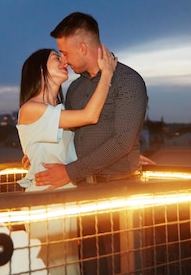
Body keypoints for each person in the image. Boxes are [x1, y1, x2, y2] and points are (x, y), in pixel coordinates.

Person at [35, 11, 149, 274]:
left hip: (120, 192)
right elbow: (66, 134)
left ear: (83, 47)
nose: (63, 58)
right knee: (90, 265)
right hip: (85, 192)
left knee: (123, 265)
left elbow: (122, 141)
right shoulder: (76, 89)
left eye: (64, 51)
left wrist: (70, 171)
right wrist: (39, 153)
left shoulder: (128, 81)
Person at [16, 44, 117, 275]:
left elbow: (77, 147)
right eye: (55, 57)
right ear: (39, 70)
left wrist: (124, 154)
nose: (63, 60)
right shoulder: (32, 108)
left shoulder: (58, 110)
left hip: (65, 197)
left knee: (67, 267)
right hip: (45, 201)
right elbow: (90, 116)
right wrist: (107, 73)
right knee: (50, 268)